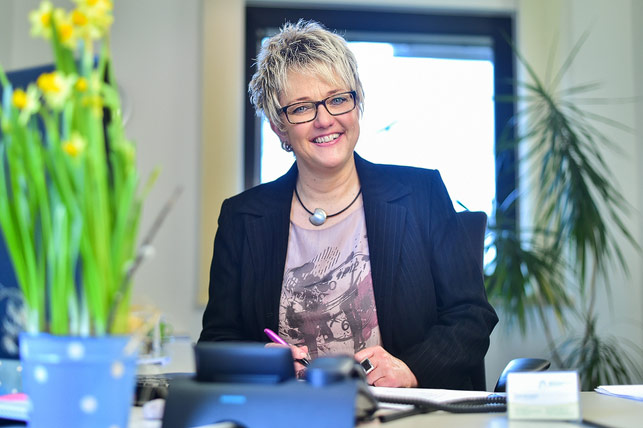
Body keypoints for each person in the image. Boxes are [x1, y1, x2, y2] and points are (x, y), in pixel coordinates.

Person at [199, 20, 498, 389]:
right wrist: (261, 362)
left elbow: (471, 316)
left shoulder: (421, 193)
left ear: (357, 104)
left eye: (338, 99)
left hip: (401, 411)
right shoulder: (241, 217)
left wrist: (411, 369)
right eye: (302, 108)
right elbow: (216, 340)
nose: (325, 120)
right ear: (279, 127)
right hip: (290, 410)